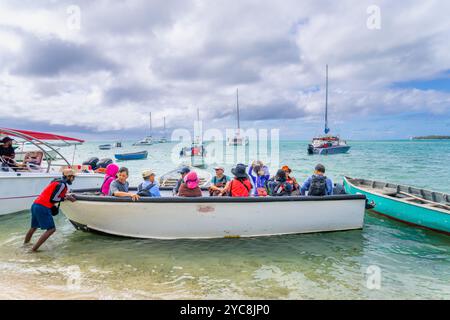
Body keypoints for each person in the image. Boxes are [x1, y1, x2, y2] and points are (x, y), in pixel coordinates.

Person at [24, 169, 77, 252]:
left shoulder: (55, 181)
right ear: (69, 177)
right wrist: (67, 198)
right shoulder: (62, 185)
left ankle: (25, 245)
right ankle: (33, 250)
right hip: (43, 206)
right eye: (73, 177)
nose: (74, 179)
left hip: (35, 204)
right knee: (51, 229)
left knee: (33, 227)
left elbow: (52, 194)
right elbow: (54, 198)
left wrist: (66, 195)